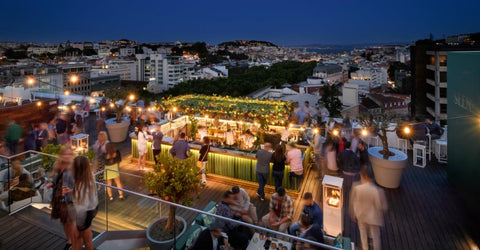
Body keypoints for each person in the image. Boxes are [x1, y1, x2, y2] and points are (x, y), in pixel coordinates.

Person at [350, 166, 387, 250]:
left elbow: (353, 201)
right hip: (373, 217)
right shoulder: (377, 190)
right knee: (375, 237)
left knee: (363, 235)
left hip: (361, 215)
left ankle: (365, 248)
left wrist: (353, 213)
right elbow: (381, 206)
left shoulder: (357, 188)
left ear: (362, 175)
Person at [46, 147, 76, 250]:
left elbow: (80, 184)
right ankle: (69, 241)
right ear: (61, 155)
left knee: (70, 221)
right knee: (63, 220)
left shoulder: (74, 167)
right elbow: (56, 178)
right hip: (58, 196)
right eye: (65, 154)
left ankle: (74, 243)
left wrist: (71, 190)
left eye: (69, 154)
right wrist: (52, 183)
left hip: (70, 199)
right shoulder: (57, 165)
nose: (67, 156)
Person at [72, 156, 99, 250]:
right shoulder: (90, 177)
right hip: (92, 210)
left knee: (82, 239)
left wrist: (79, 223)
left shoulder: (80, 184)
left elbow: (81, 207)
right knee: (81, 237)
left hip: (83, 214)